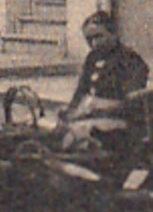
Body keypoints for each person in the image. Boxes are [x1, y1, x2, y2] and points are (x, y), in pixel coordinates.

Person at [58, 11, 149, 158]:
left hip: (120, 123)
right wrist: (70, 111)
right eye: (89, 39)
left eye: (99, 36)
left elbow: (132, 102)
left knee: (73, 137)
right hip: (94, 119)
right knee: (57, 134)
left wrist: (99, 105)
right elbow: (81, 91)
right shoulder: (92, 58)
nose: (94, 43)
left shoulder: (130, 60)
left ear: (113, 34)